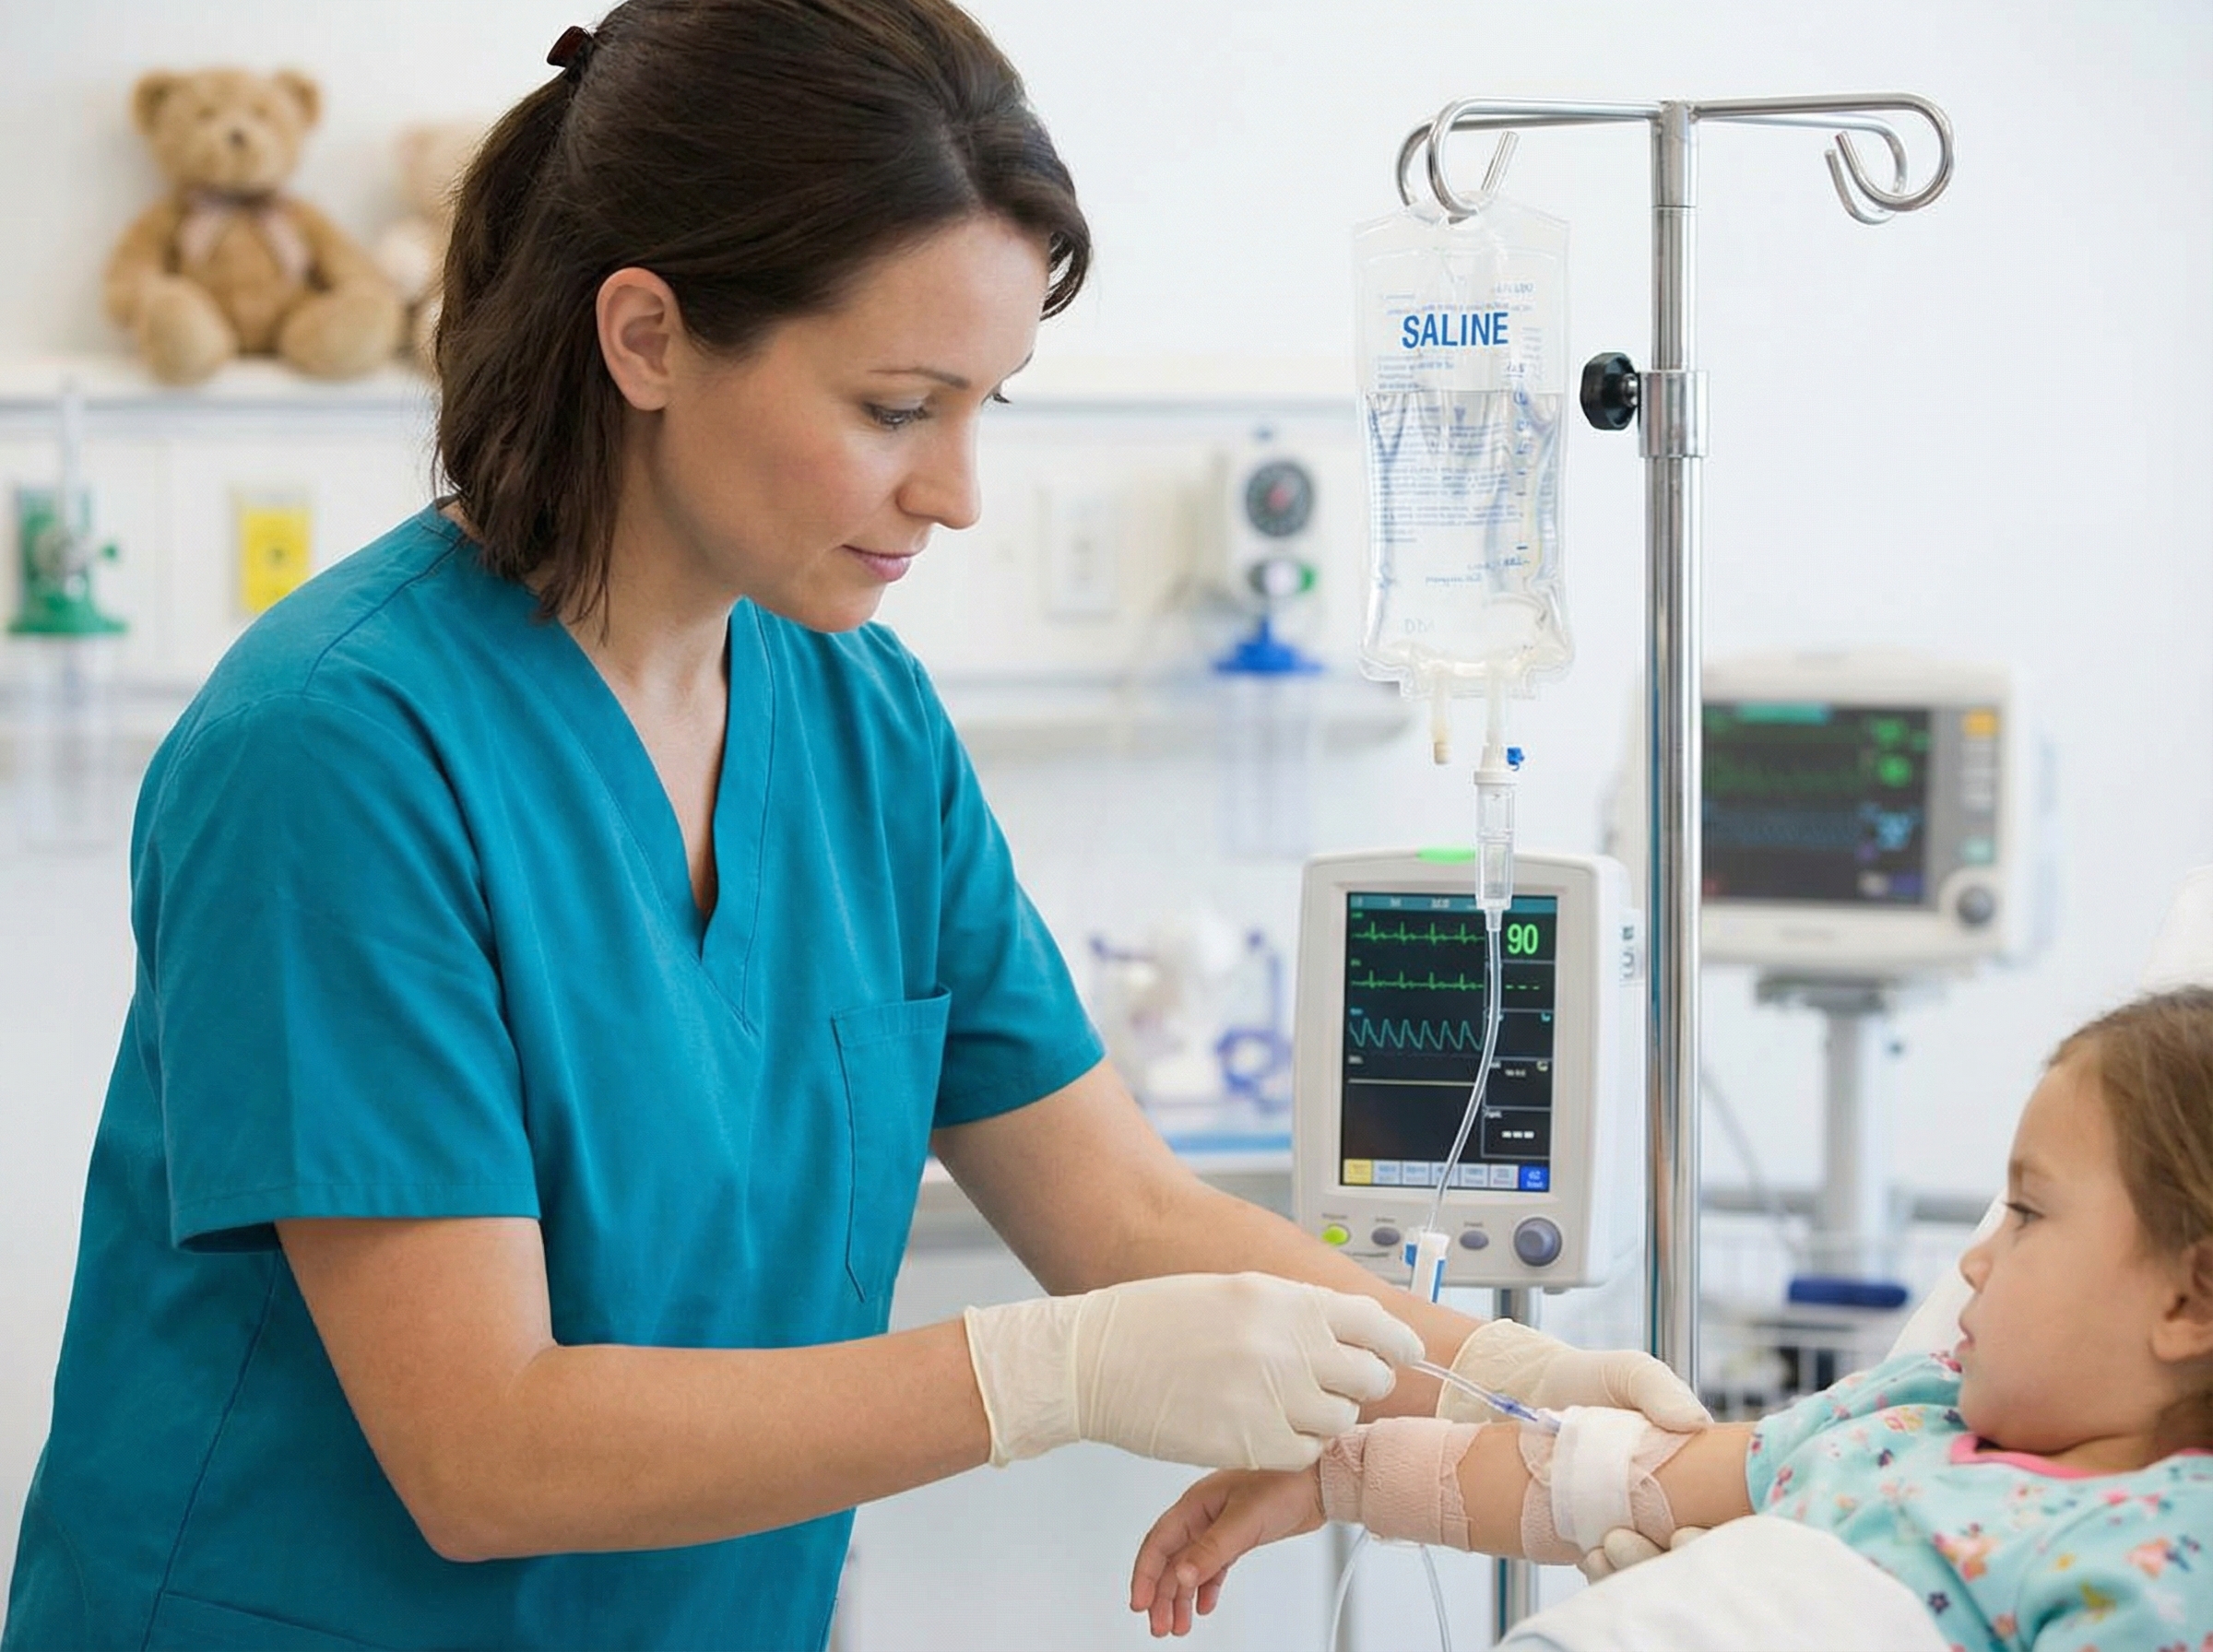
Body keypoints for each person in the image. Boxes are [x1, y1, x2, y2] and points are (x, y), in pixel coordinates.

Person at [2, 4, 1708, 1649]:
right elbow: (486, 1447)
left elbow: (1124, 1214)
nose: (958, 490)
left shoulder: (860, 724)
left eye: (988, 406)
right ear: (648, 337)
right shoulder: (339, 752)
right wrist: (1049, 1378)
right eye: (899, 408)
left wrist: (1515, 1387)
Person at [1131, 986, 2213, 1651]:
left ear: (2187, 1298)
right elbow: (1605, 1476)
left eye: (2026, 1213)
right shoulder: (1908, 1410)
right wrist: (1332, 1475)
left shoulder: (2157, 1566)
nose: (1976, 1253)